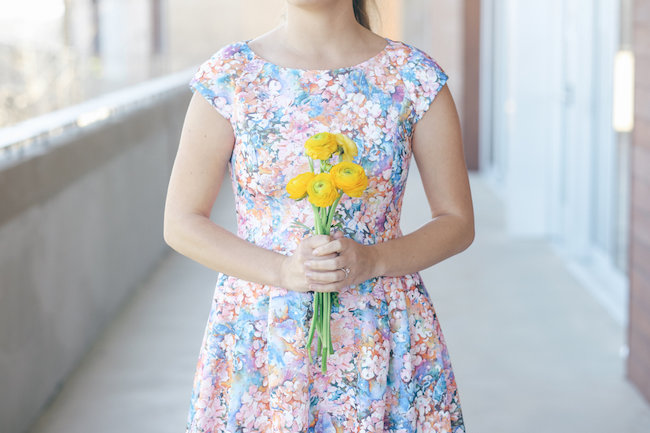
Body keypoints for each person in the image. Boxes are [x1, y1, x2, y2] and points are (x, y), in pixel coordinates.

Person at [163, 0, 474, 431]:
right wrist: (284, 270)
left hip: (380, 332)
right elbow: (181, 222)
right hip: (261, 336)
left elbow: (457, 221)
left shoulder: (413, 77)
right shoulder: (231, 76)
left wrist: (373, 259)